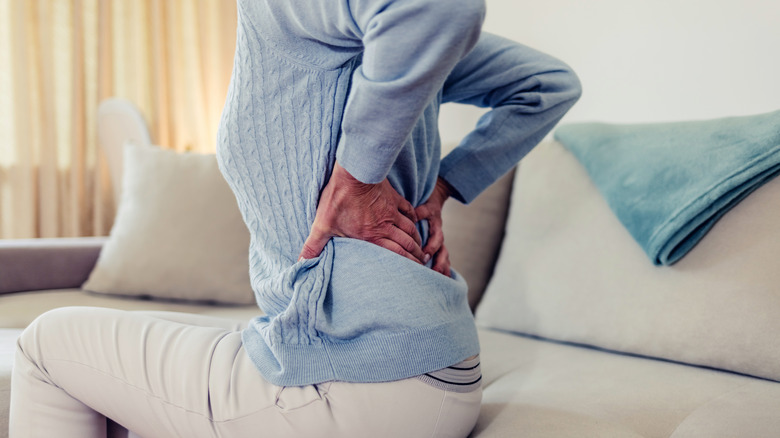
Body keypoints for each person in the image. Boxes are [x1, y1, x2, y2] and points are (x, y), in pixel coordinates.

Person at [9, 0, 581, 436]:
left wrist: (359, 179)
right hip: (435, 370)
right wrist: (439, 186)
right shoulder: (343, 33)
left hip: (360, 380)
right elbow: (546, 85)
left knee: (44, 346)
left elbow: (444, 7)